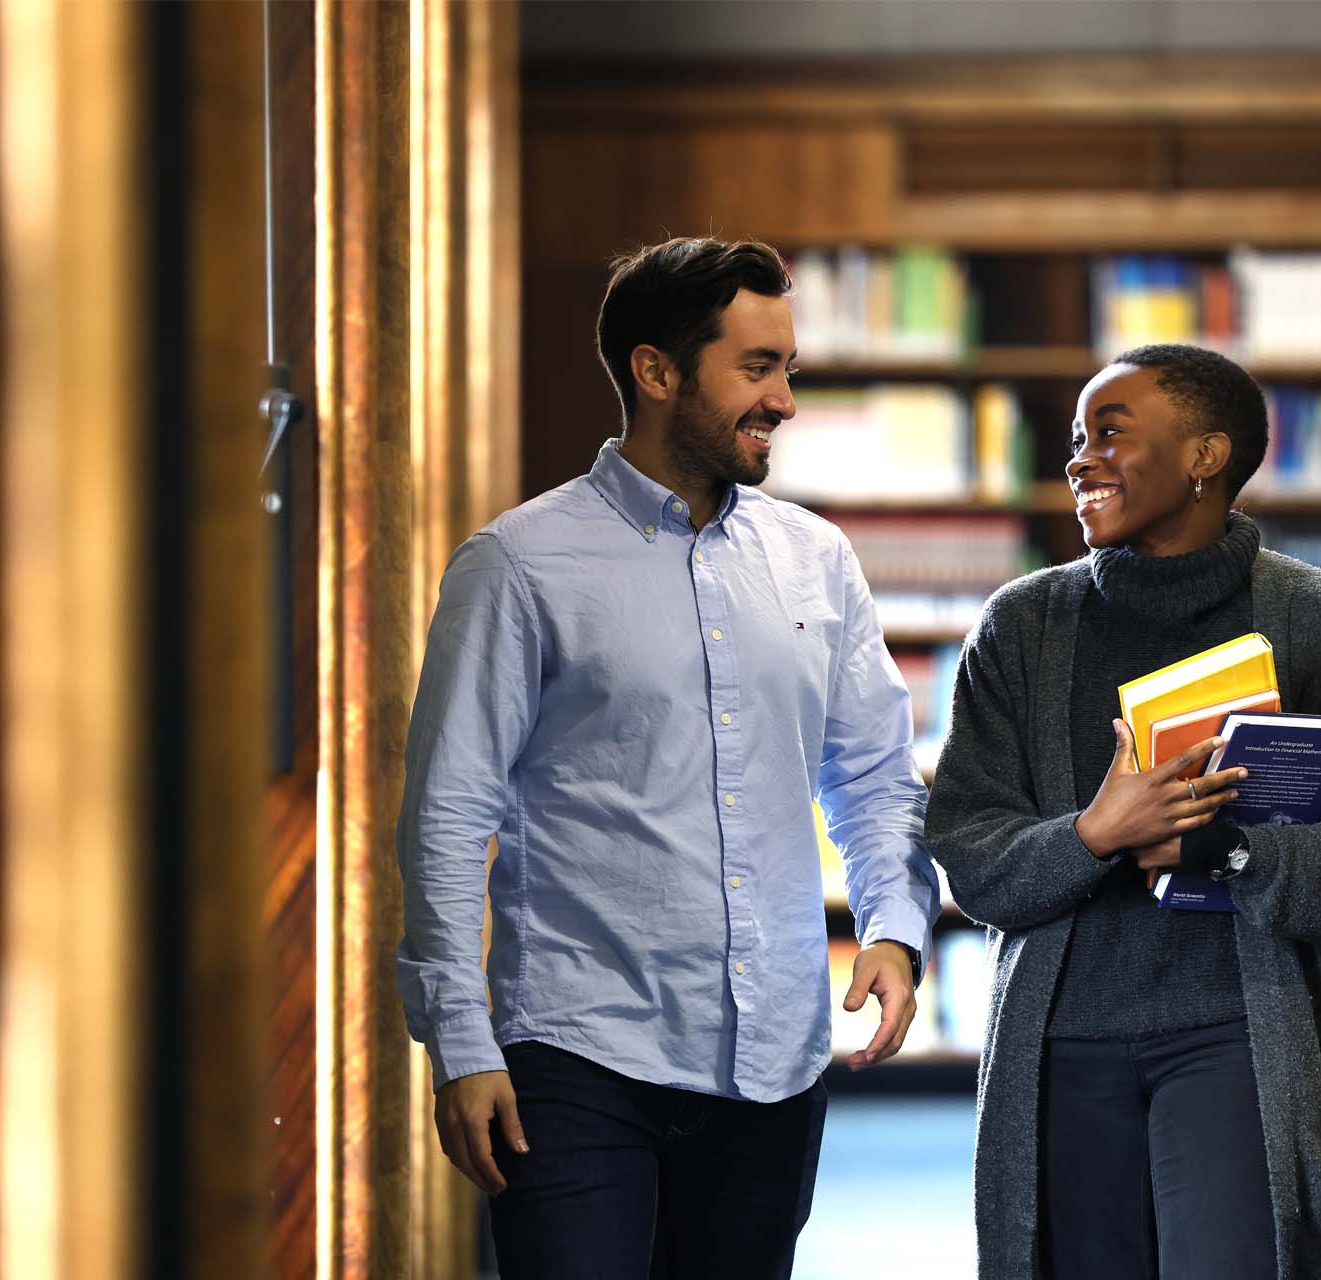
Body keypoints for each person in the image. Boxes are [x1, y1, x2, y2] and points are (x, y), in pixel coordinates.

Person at [395, 236, 939, 1279]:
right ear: (656, 372)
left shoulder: (816, 559)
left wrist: (893, 926)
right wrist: (460, 1039)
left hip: (773, 1060)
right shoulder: (517, 564)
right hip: (579, 1053)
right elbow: (448, 813)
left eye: (788, 368)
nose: (783, 398)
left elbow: (870, 771)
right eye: (756, 367)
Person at [924, 344, 1321, 1280]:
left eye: (1109, 432)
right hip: (1060, 1041)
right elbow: (968, 853)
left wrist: (1223, 849)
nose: (1079, 459)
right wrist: (1094, 835)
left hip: (1239, 1030)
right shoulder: (1020, 626)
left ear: (1206, 456)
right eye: (1075, 439)